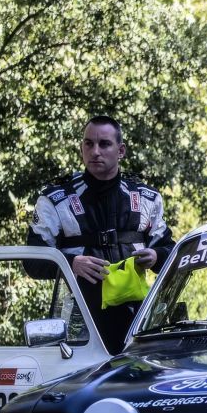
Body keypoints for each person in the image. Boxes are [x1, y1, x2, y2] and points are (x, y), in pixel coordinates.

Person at [27, 115, 174, 353]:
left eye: (104, 144)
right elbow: (32, 261)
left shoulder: (146, 198)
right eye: (88, 144)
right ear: (81, 148)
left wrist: (156, 256)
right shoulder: (55, 200)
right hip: (80, 324)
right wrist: (71, 263)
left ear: (121, 150)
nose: (95, 151)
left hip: (138, 324)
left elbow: (171, 254)